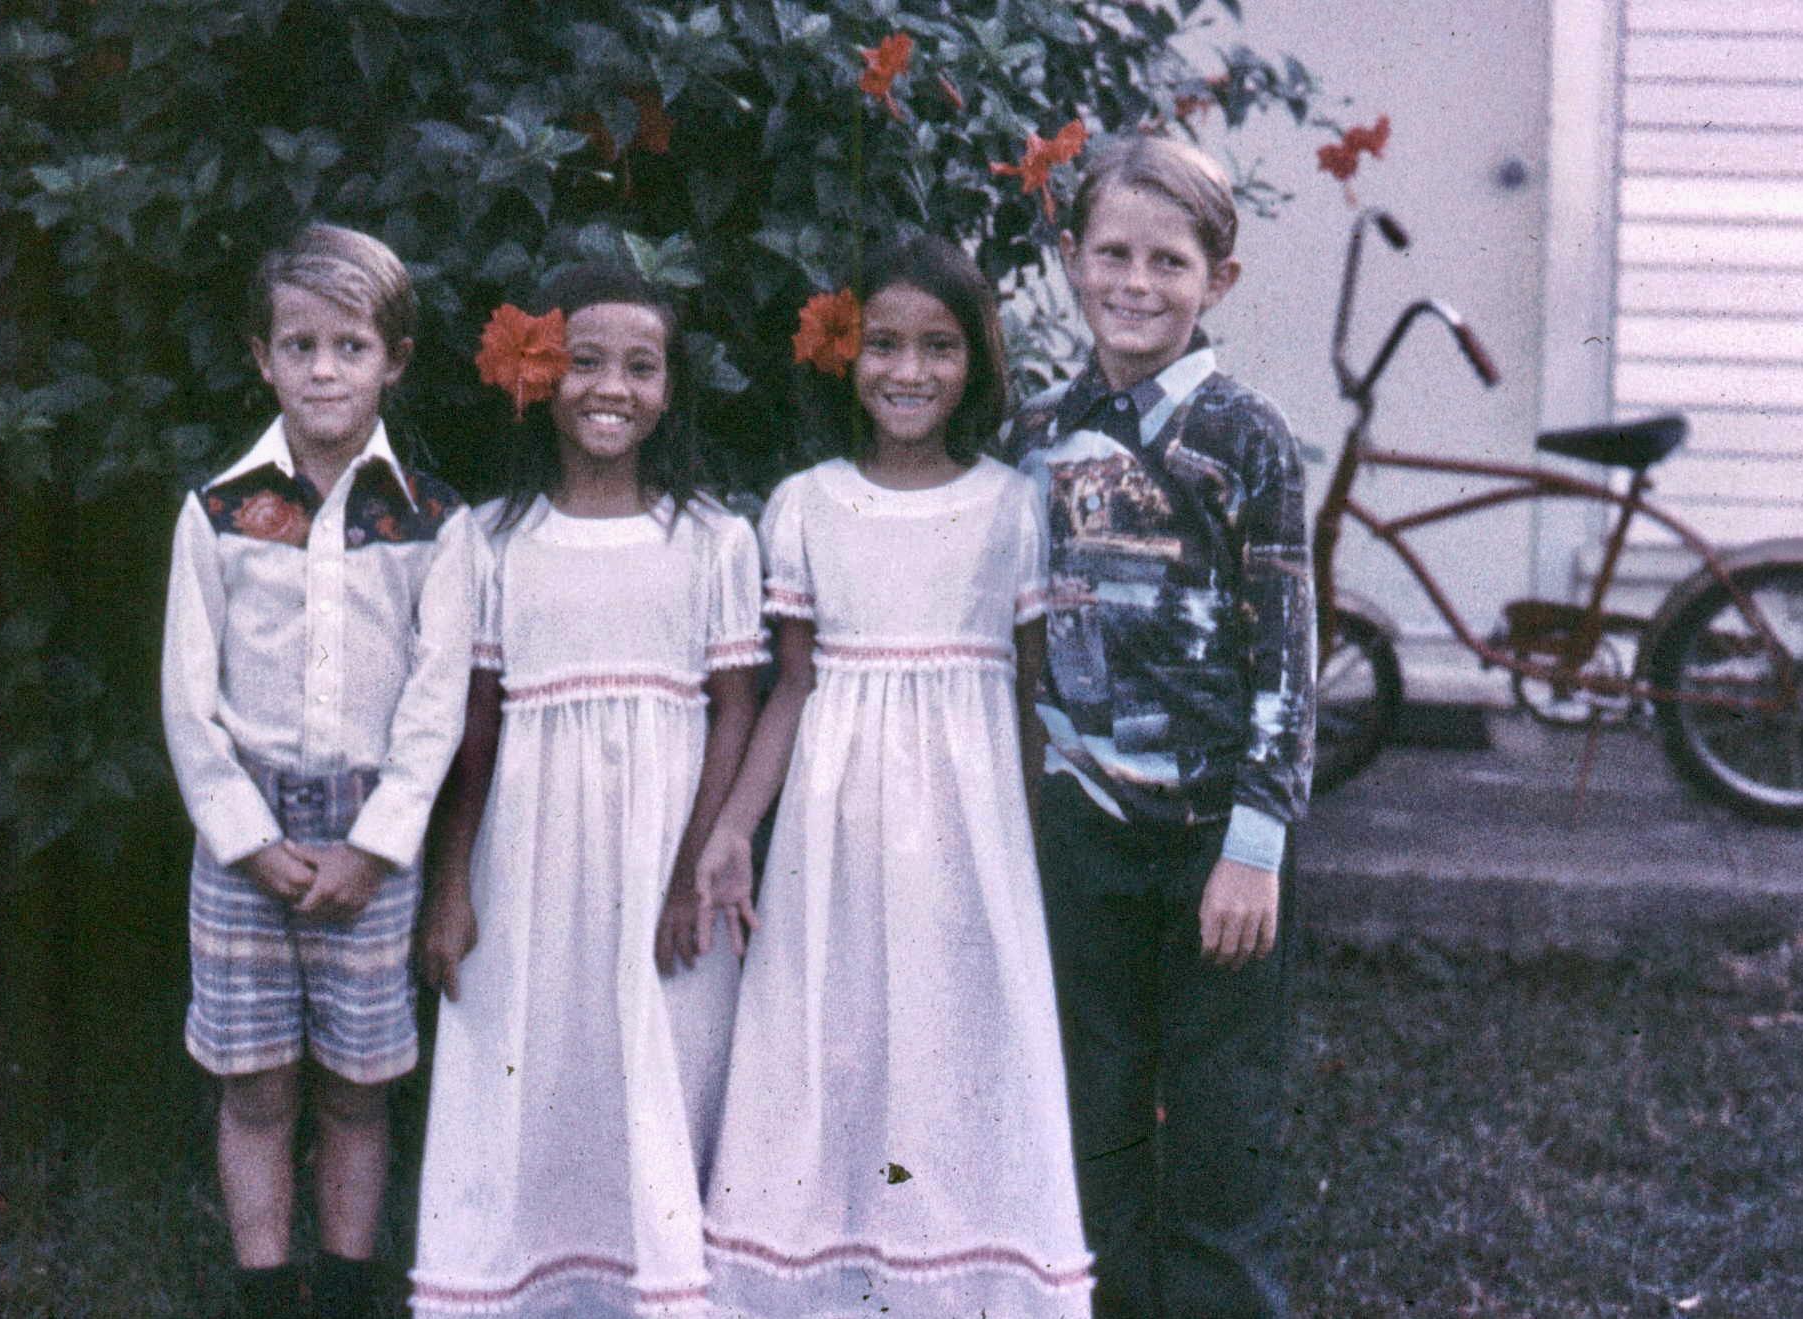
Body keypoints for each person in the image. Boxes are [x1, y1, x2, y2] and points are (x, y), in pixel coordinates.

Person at [696, 234, 1093, 1318]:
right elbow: (792, 686)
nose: (908, 370)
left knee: (958, 1034)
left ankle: (956, 1283)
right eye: (883, 344)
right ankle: (823, 1278)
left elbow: (1029, 694)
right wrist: (732, 827)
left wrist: (1028, 845)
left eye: (938, 346)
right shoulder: (807, 503)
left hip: (969, 831)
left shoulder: (1012, 505)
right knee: (833, 1035)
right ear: (846, 354)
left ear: (976, 362)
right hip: (836, 830)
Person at [408, 264, 766, 1317]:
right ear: (536, 375)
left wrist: (689, 874)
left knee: (662, 1066)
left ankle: (659, 1288)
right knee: (535, 1062)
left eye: (640, 366)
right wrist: (451, 882)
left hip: (666, 859)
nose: (611, 387)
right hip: (528, 860)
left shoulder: (712, 540)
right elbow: (476, 729)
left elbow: (734, 711)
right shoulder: (489, 538)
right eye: (584, 361)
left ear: (670, 388)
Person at [1004, 133, 1316, 1319]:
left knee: (1220, 1119)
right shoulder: (1038, 431)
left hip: (1211, 842)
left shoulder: (1244, 436)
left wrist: (1254, 843)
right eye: (1112, 255)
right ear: (1071, 259)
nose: (1135, 284)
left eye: (1168, 262)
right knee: (1094, 1111)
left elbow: (1286, 651)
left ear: (1216, 280)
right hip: (1082, 827)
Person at [160, 221, 473, 1319]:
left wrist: (378, 845)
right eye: (300, 346)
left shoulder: (433, 522)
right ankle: (264, 1289)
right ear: (263, 358)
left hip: (367, 845)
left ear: (395, 359)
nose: (324, 370)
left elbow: (436, 706)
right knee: (255, 1083)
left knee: (355, 1085)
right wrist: (244, 837)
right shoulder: (217, 513)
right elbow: (186, 699)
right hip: (244, 841)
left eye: (351, 346)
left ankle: (343, 1286)